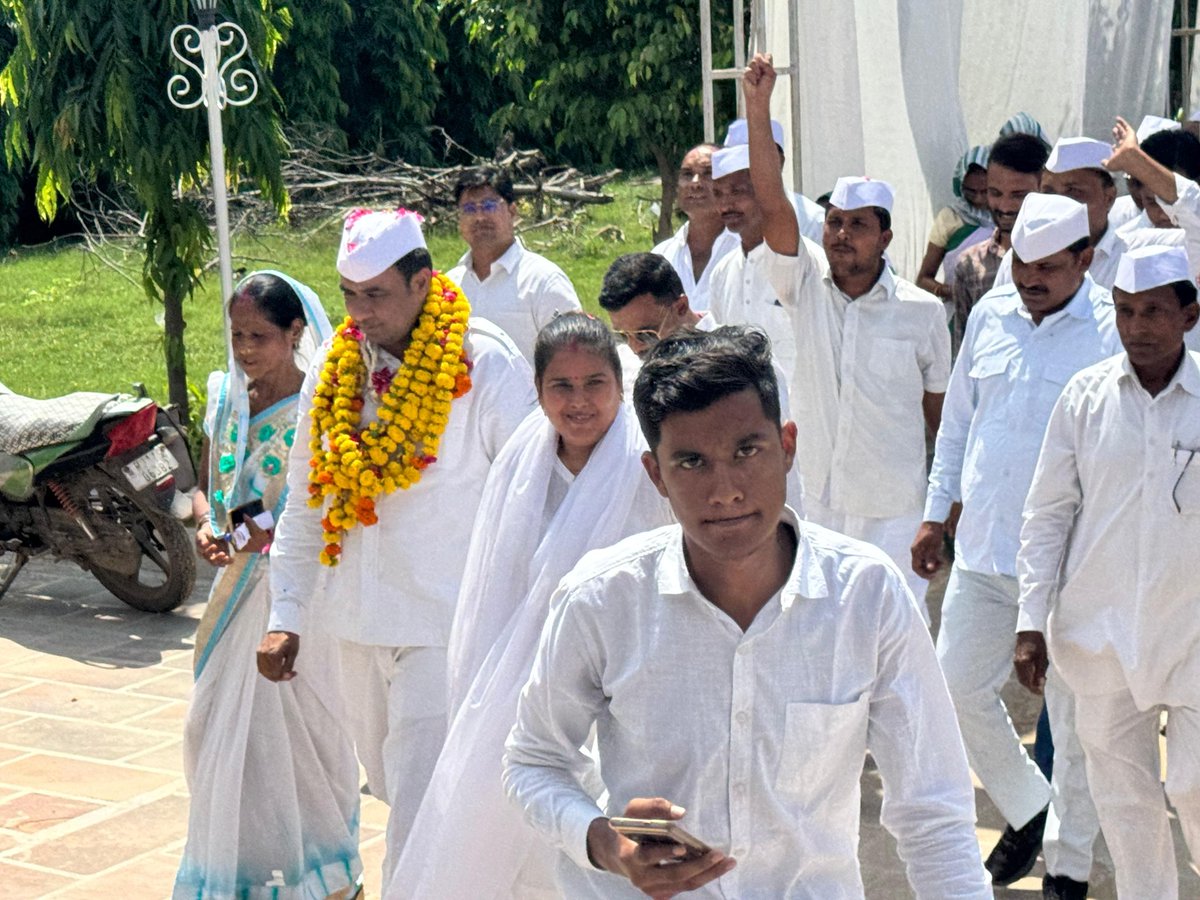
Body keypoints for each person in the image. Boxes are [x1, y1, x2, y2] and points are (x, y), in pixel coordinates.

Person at [503, 327, 990, 899]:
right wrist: (606, 843)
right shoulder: (601, 599)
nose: (726, 490)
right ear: (655, 473)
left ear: (787, 446)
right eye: (691, 462)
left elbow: (934, 813)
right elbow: (533, 761)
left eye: (746, 451)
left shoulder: (866, 597)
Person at [257, 209, 537, 885]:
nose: (360, 312)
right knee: (389, 784)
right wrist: (286, 613)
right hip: (353, 622)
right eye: (350, 296)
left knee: (418, 802)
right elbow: (306, 497)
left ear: (422, 282)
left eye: (375, 295)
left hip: (447, 624)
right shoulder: (335, 363)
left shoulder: (485, 360)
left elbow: (531, 498)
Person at [388, 314, 672, 899]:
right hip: (532, 677)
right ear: (539, 392)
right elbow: (493, 585)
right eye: (560, 387)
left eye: (595, 383)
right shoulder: (522, 461)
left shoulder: (649, 460)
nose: (579, 402)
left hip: (633, 675)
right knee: (525, 834)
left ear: (620, 384)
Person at [913, 193, 1120, 895]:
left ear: (1084, 261)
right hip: (982, 550)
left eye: (1050, 269)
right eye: (1024, 265)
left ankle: (1068, 866)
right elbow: (959, 426)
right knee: (953, 688)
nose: (1031, 279)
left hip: (1070, 564)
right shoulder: (993, 315)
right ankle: (1030, 806)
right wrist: (937, 512)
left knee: (1073, 718)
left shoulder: (1108, 330)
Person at [1016, 245, 1200, 900]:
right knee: (1123, 801)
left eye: (1153, 311)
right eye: (1124, 311)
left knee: (1192, 785)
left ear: (1190, 314)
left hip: (1192, 638)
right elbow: (1046, 515)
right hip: (1099, 638)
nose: (1137, 327)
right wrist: (1030, 622)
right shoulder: (1085, 397)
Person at [174, 272, 362, 899]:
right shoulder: (226, 396)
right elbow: (210, 485)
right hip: (232, 590)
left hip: (287, 591)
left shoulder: (319, 409)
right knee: (212, 735)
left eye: (259, 335)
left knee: (294, 742)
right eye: (236, 335)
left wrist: (241, 535)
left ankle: (320, 873)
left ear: (295, 332)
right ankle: (241, 873)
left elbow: (305, 510)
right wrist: (207, 523)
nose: (245, 348)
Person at [743, 54, 949, 612]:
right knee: (816, 641)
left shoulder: (924, 313)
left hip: (895, 515)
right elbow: (771, 202)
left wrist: (944, 513)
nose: (841, 234)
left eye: (857, 225)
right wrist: (757, 109)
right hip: (818, 506)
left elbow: (942, 421)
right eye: (834, 221)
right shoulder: (804, 284)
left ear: (885, 236)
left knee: (893, 651)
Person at [992, 136, 1184, 291]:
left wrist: (1140, 164)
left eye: (1073, 193)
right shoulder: (1020, 259)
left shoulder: (1140, 252)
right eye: (1049, 192)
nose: (1058, 204)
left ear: (1109, 198)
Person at [447, 166, 581, 361]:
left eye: (489, 205)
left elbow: (575, 357)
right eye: (469, 209)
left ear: (512, 211)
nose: (479, 217)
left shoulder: (543, 281)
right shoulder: (450, 286)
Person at [1104, 115, 1200, 352]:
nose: (1165, 214)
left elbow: (1191, 205)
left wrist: (1137, 161)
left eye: (1169, 202)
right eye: (1154, 202)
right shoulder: (1123, 246)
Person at [705, 142, 798, 384]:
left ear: (765, 191)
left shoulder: (800, 261)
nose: (726, 205)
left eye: (737, 192)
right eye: (718, 194)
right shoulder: (721, 273)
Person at [950, 133, 1050, 347]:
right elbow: (964, 350)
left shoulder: (1066, 261)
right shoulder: (969, 265)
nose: (1005, 206)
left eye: (1018, 195)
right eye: (995, 193)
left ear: (1044, 188)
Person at [651, 143, 740, 312]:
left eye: (708, 173)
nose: (695, 183)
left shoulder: (748, 250)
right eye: (687, 174)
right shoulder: (661, 256)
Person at [722, 117, 825, 243]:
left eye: (756, 157)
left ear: (779, 161)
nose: (743, 168)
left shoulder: (812, 220)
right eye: (735, 160)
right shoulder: (712, 220)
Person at [916, 145, 993, 302]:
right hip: (957, 313)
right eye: (970, 191)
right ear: (960, 185)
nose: (978, 199)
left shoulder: (1006, 217)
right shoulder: (950, 218)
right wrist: (950, 292)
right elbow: (923, 280)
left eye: (985, 191)